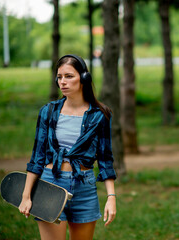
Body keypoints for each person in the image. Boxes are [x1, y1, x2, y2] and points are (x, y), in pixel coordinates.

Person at [19, 54, 117, 240]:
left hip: (85, 187)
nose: (62, 82)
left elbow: (105, 160)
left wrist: (111, 197)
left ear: (84, 78)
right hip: (50, 184)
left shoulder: (100, 115)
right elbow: (37, 157)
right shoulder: (48, 112)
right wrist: (26, 195)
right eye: (59, 77)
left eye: (69, 76)